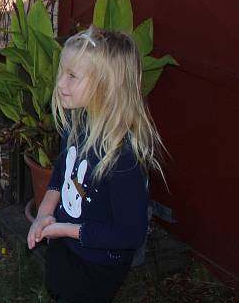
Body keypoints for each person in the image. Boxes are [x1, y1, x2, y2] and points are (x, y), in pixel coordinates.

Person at [27, 26, 165, 302]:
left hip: (99, 263)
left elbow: (130, 233)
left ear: (106, 85)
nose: (60, 84)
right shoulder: (77, 123)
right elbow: (63, 170)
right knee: (58, 289)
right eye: (62, 72)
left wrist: (65, 229)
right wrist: (45, 211)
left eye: (72, 76)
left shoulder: (123, 158)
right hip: (66, 240)